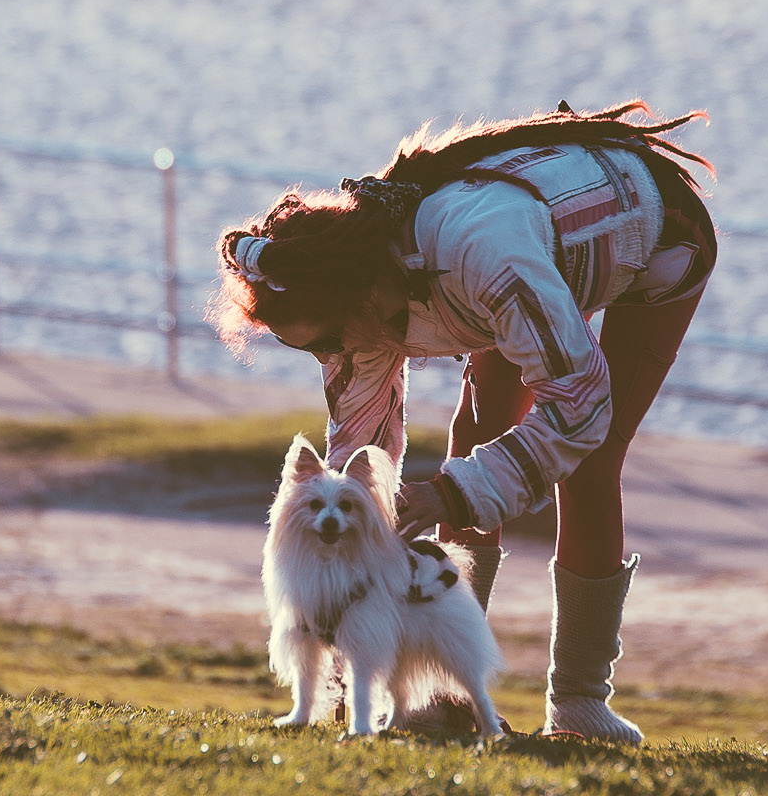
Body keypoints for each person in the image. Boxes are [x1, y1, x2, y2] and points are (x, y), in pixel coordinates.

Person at [211, 100, 716, 743]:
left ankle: (582, 704)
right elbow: (359, 471)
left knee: (588, 460)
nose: (329, 356)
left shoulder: (479, 258)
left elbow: (579, 405)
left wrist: (452, 492)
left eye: (329, 338)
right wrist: (350, 674)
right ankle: (443, 688)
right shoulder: (355, 313)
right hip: (527, 255)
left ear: (361, 295)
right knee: (477, 430)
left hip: (656, 236)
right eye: (307, 348)